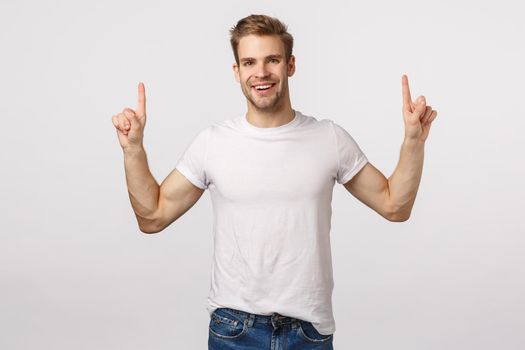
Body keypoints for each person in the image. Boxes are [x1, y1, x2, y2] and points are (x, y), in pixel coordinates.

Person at [111, 14, 437, 350]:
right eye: (249, 62)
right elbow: (153, 216)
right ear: (236, 72)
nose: (261, 72)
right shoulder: (213, 143)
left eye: (272, 60)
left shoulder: (329, 138)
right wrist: (133, 150)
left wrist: (413, 141)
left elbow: (394, 205)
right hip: (235, 330)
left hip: (309, 332)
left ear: (290, 65)